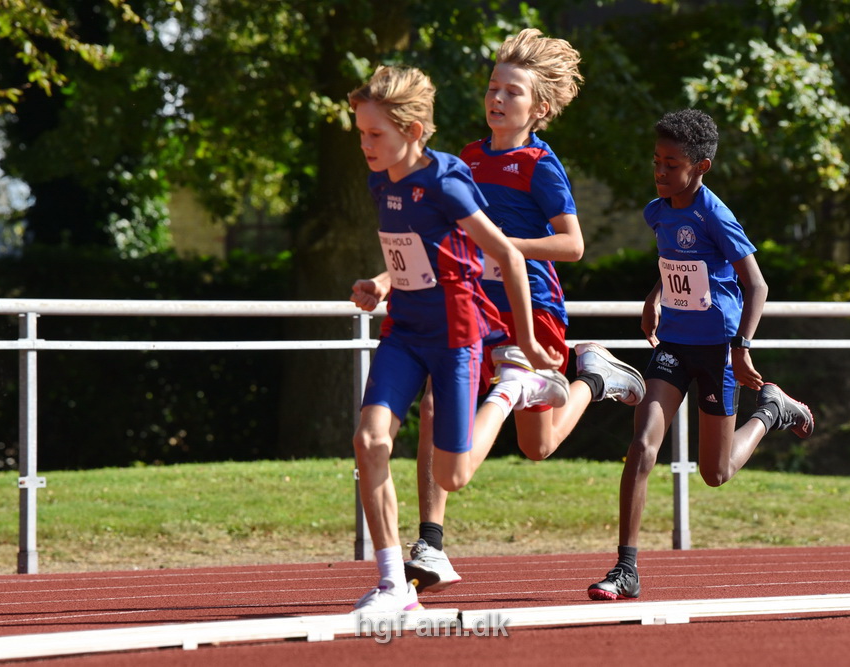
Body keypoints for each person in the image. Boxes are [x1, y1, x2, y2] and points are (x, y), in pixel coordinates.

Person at [403, 28, 647, 595]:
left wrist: (508, 248)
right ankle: (431, 544)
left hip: (532, 308)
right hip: (474, 306)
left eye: (511, 92)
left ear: (538, 107)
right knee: (438, 403)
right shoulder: (463, 158)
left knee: (537, 446)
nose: (496, 99)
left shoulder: (540, 164)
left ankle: (593, 379)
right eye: (493, 87)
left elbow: (573, 245)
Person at [347, 64, 570, 613]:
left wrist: (526, 339)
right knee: (370, 442)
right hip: (403, 333)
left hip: (456, 335)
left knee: (455, 473)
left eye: (375, 135)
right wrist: (378, 282)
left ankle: (513, 388)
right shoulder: (381, 179)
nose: (366, 145)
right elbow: (415, 251)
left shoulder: (447, 178)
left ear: (413, 131)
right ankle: (393, 585)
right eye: (360, 134)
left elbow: (509, 256)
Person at [586, 108, 815, 601]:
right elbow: (677, 263)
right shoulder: (658, 211)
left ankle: (771, 411)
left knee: (715, 473)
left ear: (700, 167)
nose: (660, 171)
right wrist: (654, 298)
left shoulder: (715, 214)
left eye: (671, 164)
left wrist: (742, 348)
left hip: (717, 350)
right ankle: (626, 569)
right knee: (642, 445)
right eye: (656, 161)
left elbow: (757, 283)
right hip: (673, 347)